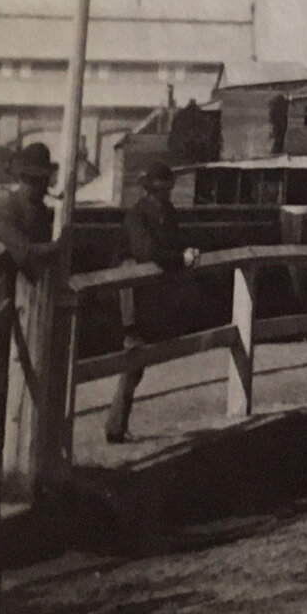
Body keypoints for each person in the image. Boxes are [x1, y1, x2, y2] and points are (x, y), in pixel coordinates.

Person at [0, 144, 59, 450]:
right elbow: (28, 253)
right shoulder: (4, 212)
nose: (39, 187)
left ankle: (10, 445)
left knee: (22, 376)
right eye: (32, 180)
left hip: (21, 303)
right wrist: (59, 246)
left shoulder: (41, 213)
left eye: (42, 180)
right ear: (22, 179)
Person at [104, 162, 200, 443]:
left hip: (151, 292)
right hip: (129, 295)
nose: (164, 196)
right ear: (149, 192)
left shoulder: (168, 213)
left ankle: (116, 426)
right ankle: (116, 427)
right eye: (159, 191)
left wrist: (187, 251)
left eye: (167, 190)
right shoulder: (137, 216)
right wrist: (179, 258)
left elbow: (173, 244)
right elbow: (145, 252)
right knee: (134, 352)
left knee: (138, 360)